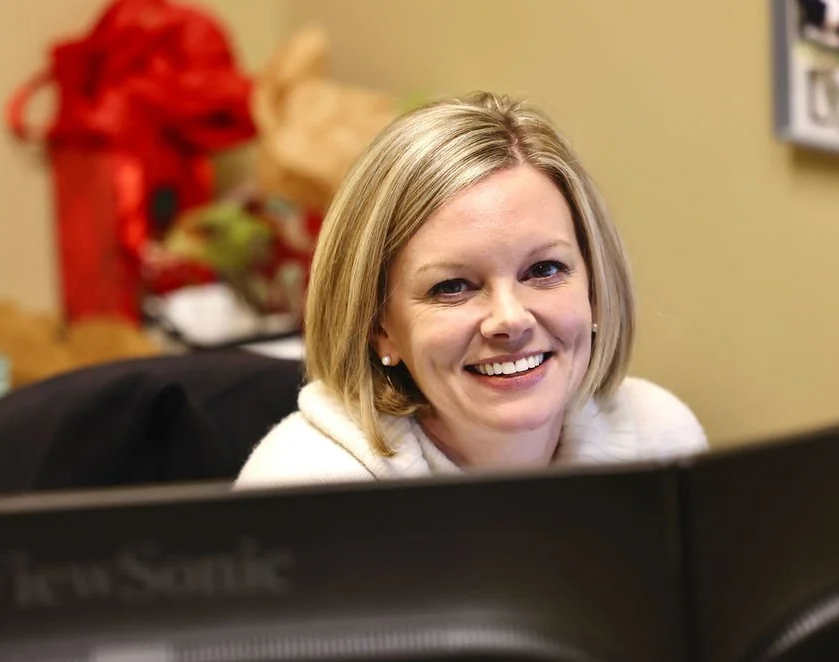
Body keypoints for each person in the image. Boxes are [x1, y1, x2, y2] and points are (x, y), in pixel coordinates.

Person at [234, 91, 707, 488]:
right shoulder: (301, 490)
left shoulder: (661, 441)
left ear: (595, 287)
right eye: (453, 286)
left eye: (544, 269)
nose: (511, 319)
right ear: (379, 328)